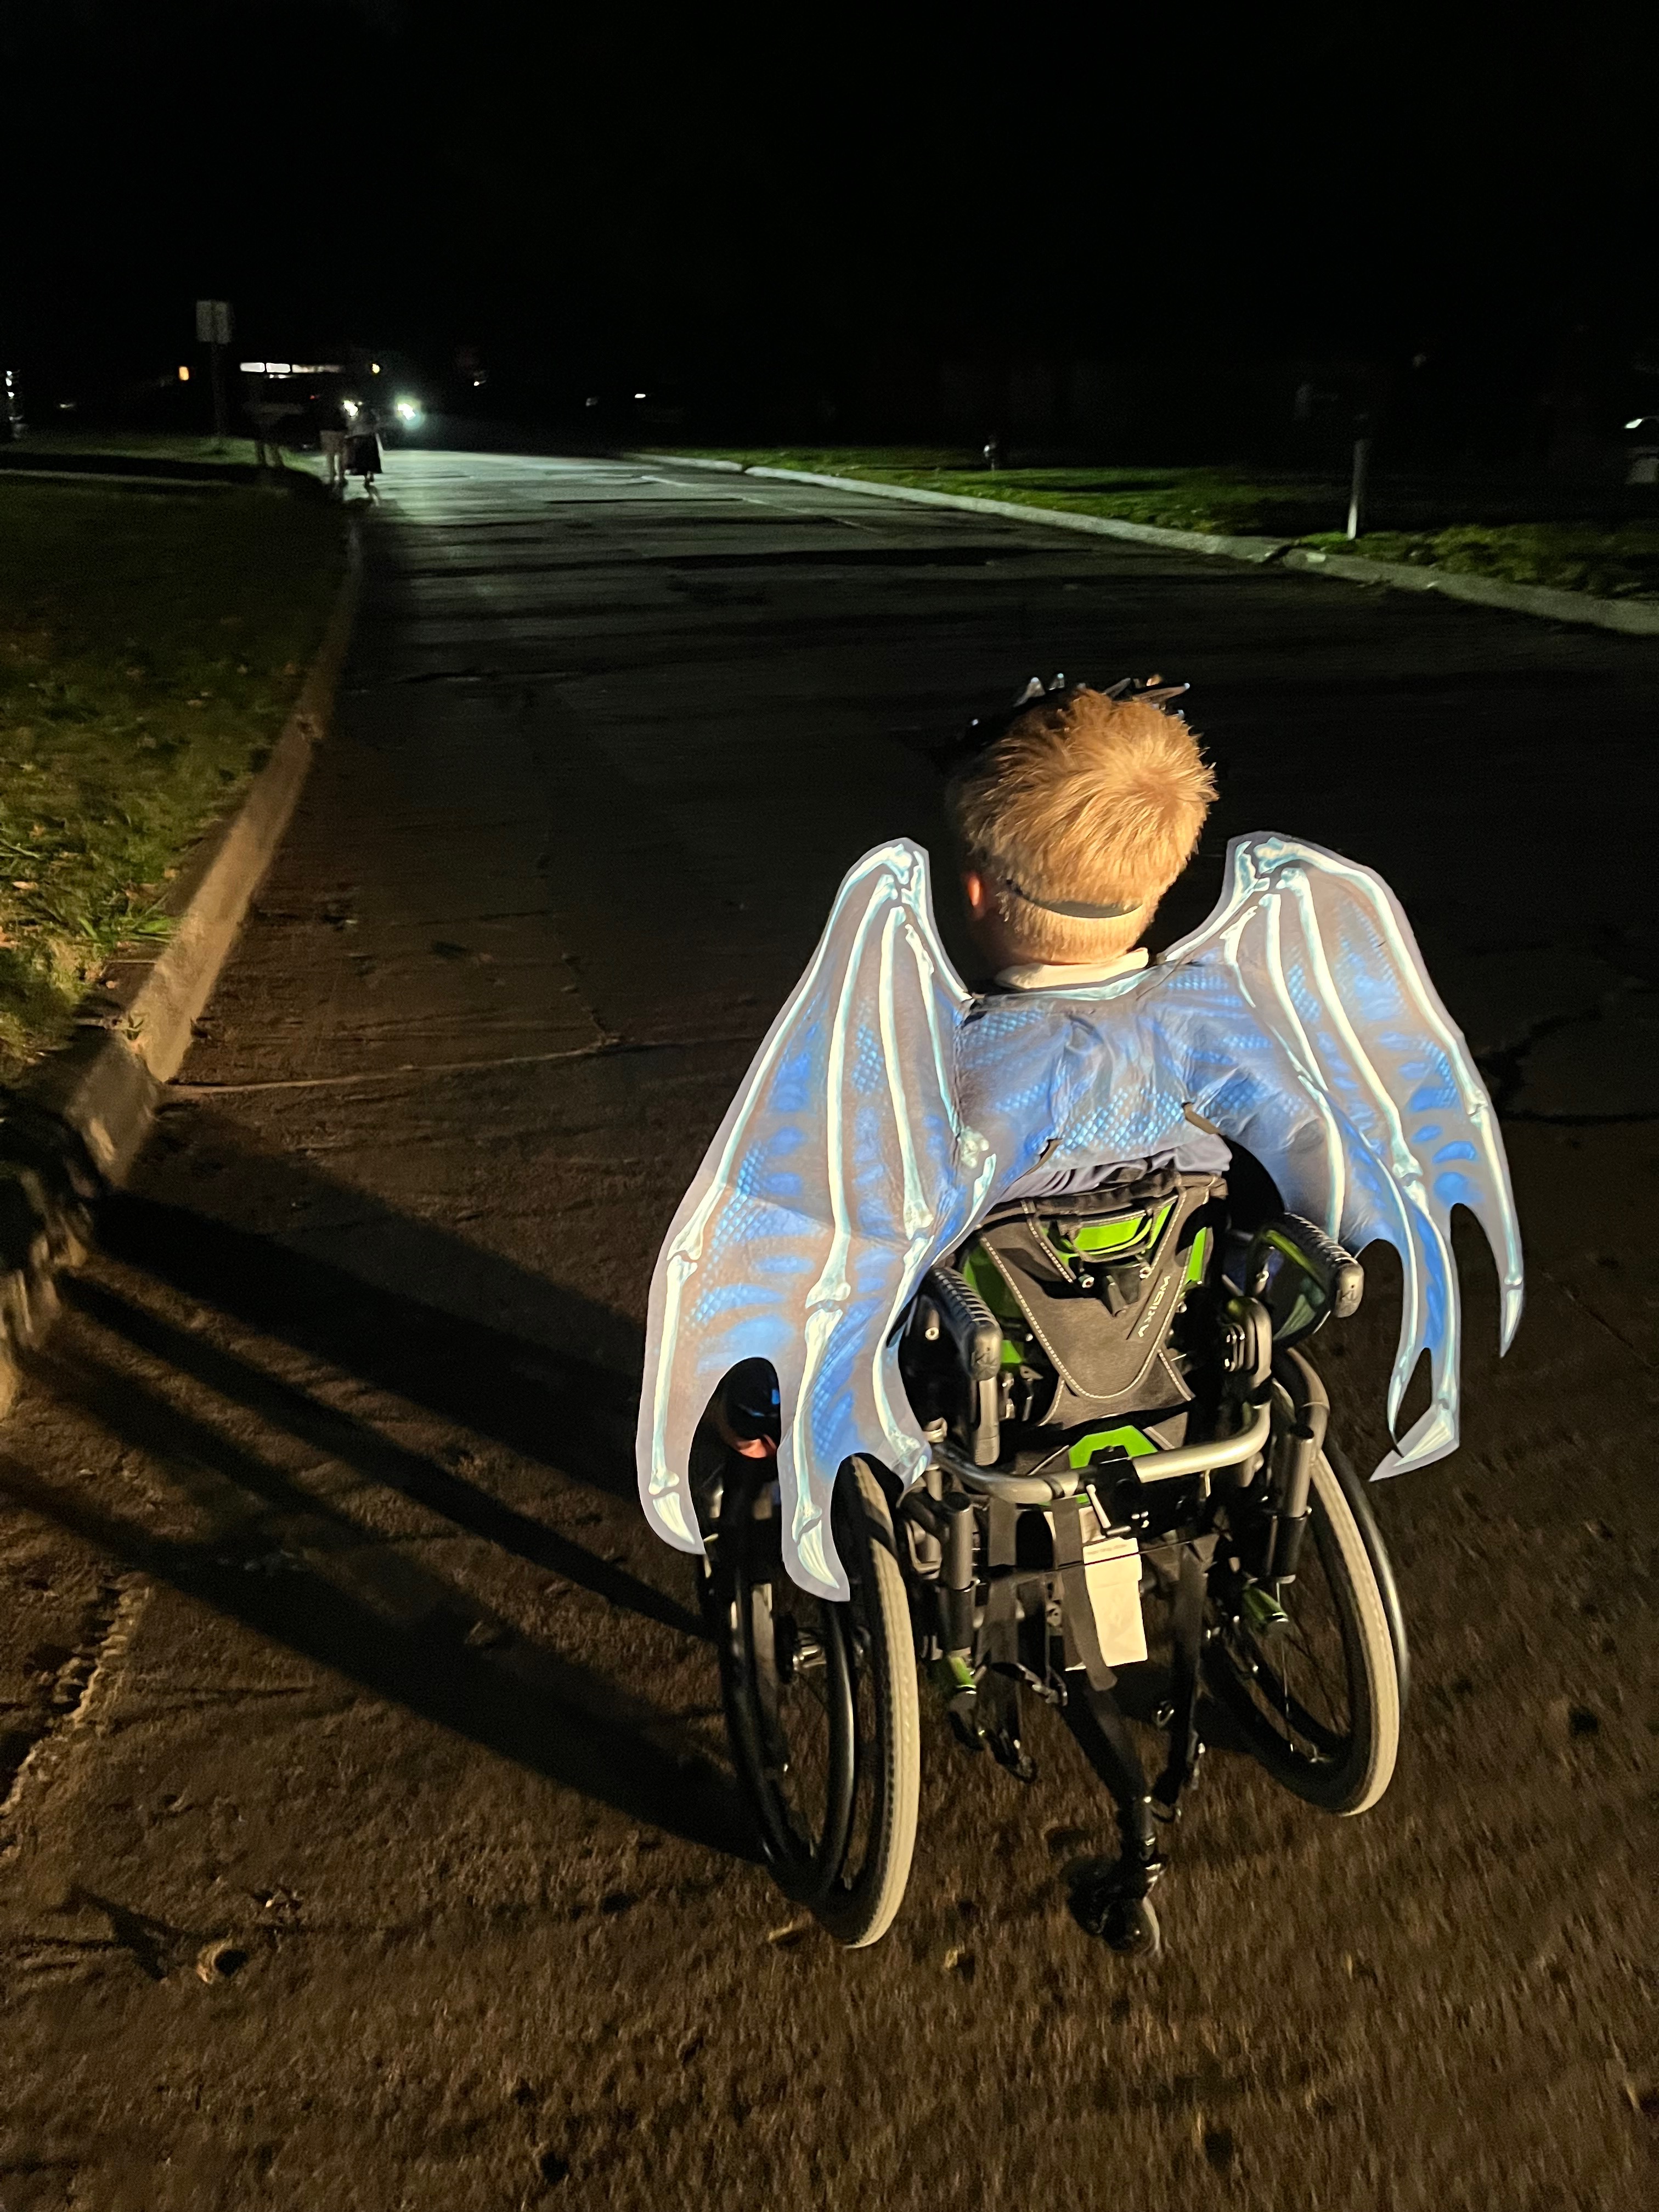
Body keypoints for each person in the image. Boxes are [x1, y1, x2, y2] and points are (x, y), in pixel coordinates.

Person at [346, 401, 383, 498]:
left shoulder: (359, 417)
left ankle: (366, 477)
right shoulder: (373, 416)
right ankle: (371, 475)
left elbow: (352, 425)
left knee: (363, 459)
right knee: (371, 458)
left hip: (361, 438)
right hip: (370, 437)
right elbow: (378, 425)